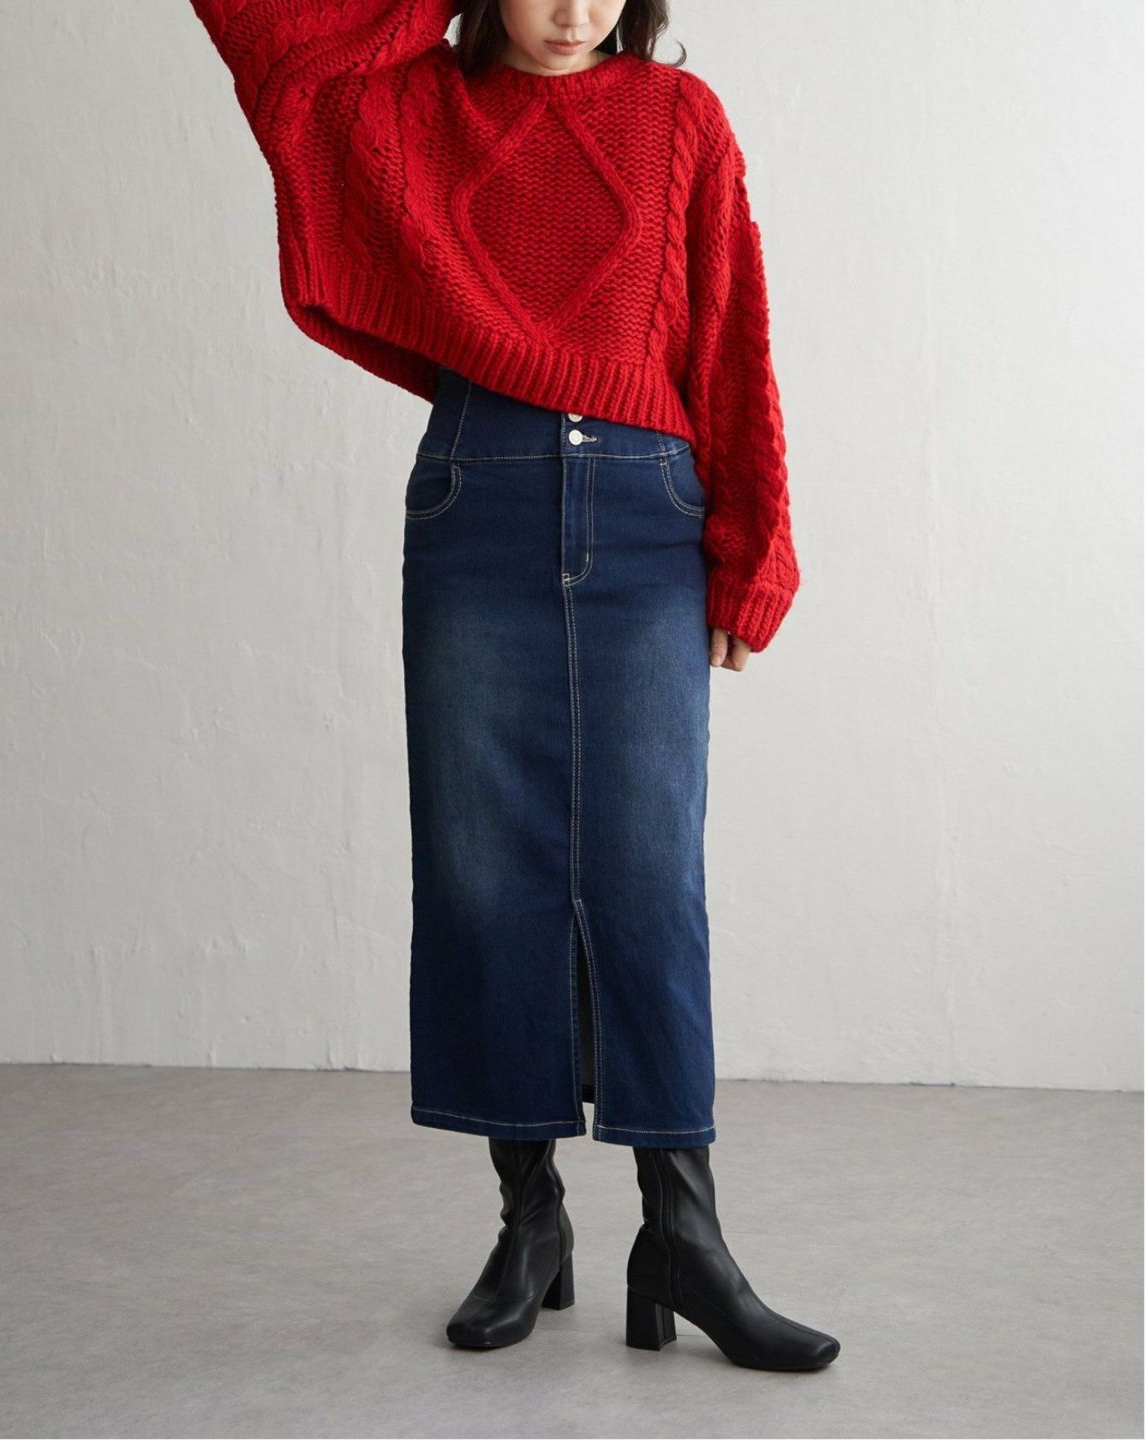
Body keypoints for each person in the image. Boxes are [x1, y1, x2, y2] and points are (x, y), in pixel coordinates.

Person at [187, 0, 839, 1371]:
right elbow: (269, 38)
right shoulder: (406, 104)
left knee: (650, 879)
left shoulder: (677, 117)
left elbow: (732, 331)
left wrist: (755, 552)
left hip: (648, 512)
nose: (575, 10)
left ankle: (684, 1235)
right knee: (486, 874)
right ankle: (529, 1222)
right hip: (477, 504)